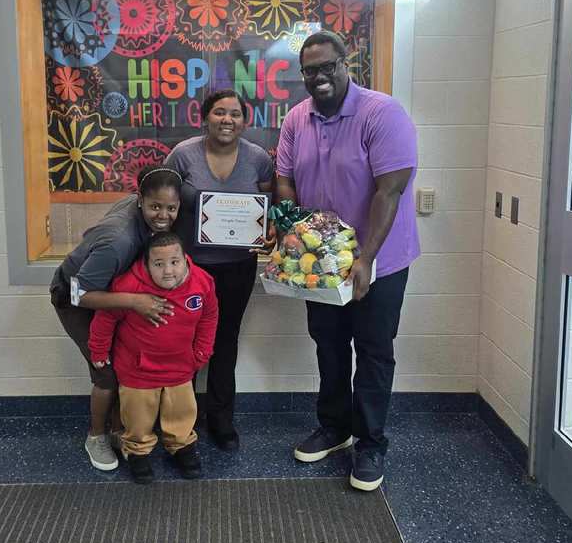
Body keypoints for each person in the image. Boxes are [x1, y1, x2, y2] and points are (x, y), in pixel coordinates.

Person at [276, 29, 420, 492]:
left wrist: (366, 258)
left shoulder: (383, 113)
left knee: (374, 350)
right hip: (320, 262)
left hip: (380, 259)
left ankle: (370, 443)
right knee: (329, 344)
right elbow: (284, 179)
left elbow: (389, 191)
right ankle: (334, 427)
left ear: (345, 64)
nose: (318, 76)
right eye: (309, 71)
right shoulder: (296, 119)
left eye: (327, 67)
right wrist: (293, 237)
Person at [49, 166, 183, 473]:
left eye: (171, 208)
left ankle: (116, 429)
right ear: (140, 200)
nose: (163, 215)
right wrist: (135, 301)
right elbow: (79, 295)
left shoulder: (142, 210)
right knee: (106, 372)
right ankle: (96, 437)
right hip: (75, 297)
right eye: (155, 207)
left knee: (122, 361)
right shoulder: (118, 241)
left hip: (107, 290)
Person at [165, 90, 275, 451]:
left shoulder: (258, 159)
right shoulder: (183, 155)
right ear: (204, 118)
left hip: (238, 267)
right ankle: (180, 421)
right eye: (219, 112)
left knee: (226, 340)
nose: (227, 119)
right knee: (184, 340)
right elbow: (161, 200)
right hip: (190, 269)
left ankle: (221, 420)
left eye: (235, 114)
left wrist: (269, 230)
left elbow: (269, 204)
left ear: (245, 121)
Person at [88, 232, 218, 485]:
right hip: (138, 370)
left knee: (181, 412)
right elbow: (105, 318)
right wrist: (99, 351)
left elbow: (209, 317)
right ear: (146, 265)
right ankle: (137, 451)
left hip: (181, 367)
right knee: (137, 417)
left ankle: (181, 446)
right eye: (159, 264)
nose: (168, 271)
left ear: (185, 260)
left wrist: (202, 352)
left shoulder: (202, 282)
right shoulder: (128, 286)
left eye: (174, 262)